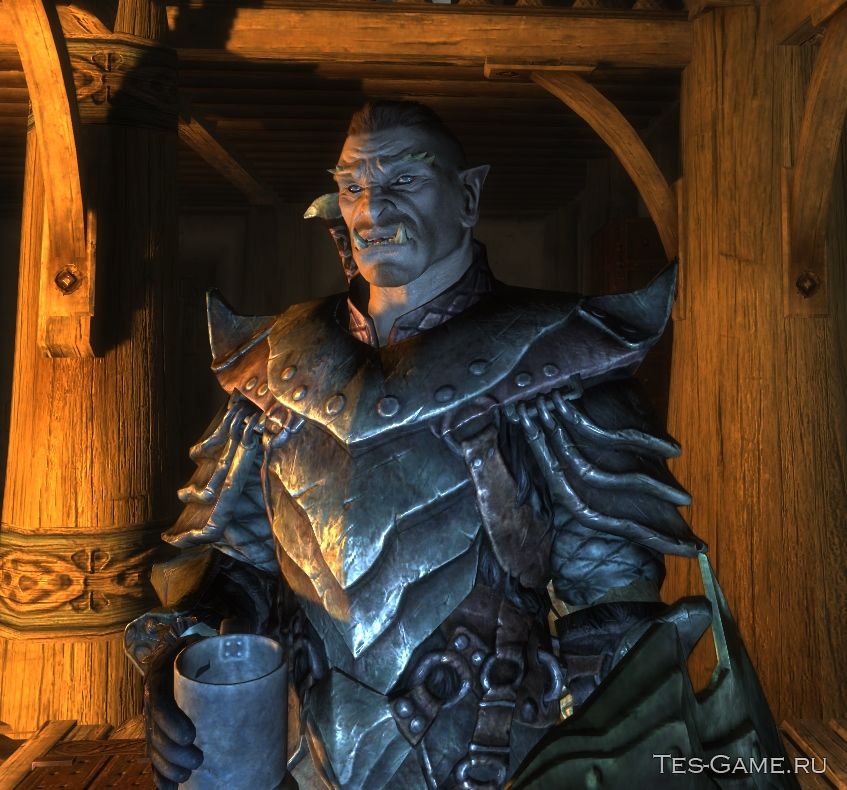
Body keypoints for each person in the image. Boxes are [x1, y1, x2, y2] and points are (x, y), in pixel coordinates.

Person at [125, 100, 773, 790]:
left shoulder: (553, 363)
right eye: (352, 185)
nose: (371, 208)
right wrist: (182, 664)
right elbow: (234, 567)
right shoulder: (274, 369)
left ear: (467, 197)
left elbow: (611, 622)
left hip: (496, 761)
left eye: (403, 180)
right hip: (300, 762)